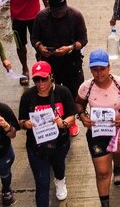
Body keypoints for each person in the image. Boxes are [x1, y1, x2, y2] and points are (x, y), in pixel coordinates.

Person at [75, 49, 120, 206]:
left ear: (109, 67)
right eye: (95, 69)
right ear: (90, 70)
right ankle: (105, 204)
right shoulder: (86, 87)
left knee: (118, 154)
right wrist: (83, 117)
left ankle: (117, 168)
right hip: (96, 133)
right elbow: (78, 103)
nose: (99, 73)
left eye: (102, 68)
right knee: (102, 172)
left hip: (118, 132)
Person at [19, 61, 78, 206]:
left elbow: (72, 117)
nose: (40, 83)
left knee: (58, 165)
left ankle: (60, 180)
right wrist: (26, 124)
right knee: (42, 183)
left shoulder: (63, 92)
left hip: (60, 143)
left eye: (44, 78)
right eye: (36, 79)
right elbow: (21, 120)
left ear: (51, 76)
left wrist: (63, 123)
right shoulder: (27, 96)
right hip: (36, 147)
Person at [0, 0, 49, 85]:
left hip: (35, 17)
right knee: (20, 46)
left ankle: (39, 68)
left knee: (39, 46)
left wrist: (48, 11)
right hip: (17, 17)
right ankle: (25, 69)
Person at [31, 0, 89, 99]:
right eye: (56, 12)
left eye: (62, 11)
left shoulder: (75, 16)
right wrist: (40, 47)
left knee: (75, 96)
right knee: (50, 95)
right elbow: (34, 38)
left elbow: (83, 40)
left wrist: (70, 48)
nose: (59, 14)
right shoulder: (41, 17)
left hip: (71, 61)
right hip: (49, 63)